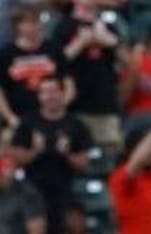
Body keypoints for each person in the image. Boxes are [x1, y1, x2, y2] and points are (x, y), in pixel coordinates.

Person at [10, 73, 91, 234]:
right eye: (45, 92)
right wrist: (34, 151)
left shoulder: (75, 124)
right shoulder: (28, 122)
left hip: (65, 192)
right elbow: (15, 159)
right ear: (39, 96)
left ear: (63, 94)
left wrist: (67, 154)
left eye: (54, 91)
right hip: (33, 192)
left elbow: (84, 164)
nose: (50, 96)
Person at [56, 0, 121, 148]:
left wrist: (110, 42)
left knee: (110, 153)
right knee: (77, 150)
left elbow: (128, 61)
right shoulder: (64, 27)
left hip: (106, 105)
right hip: (76, 107)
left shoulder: (107, 26)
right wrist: (80, 43)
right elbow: (56, 63)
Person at [0, 5, 72, 131]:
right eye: (27, 23)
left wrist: (59, 109)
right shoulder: (6, 54)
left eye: (35, 22)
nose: (32, 27)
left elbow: (69, 84)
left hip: (53, 122)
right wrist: (10, 118)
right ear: (18, 26)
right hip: (19, 120)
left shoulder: (53, 49)